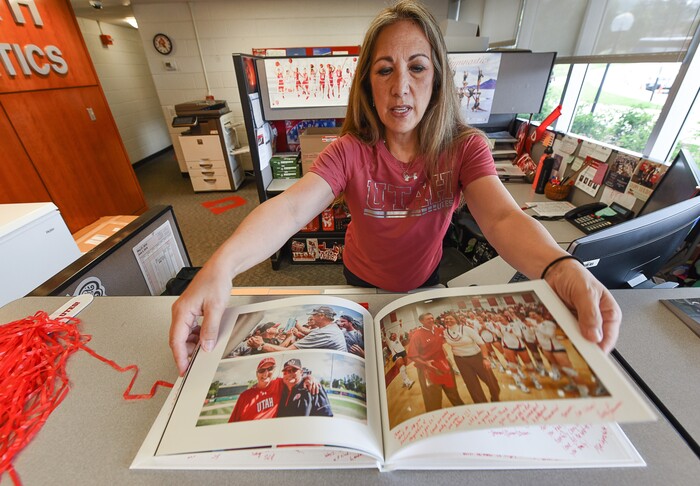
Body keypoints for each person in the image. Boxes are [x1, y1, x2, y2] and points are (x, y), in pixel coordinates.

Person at [170, 0, 621, 376]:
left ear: (437, 77)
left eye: (417, 68)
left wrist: (561, 268)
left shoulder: (465, 149)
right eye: (385, 70)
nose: (400, 87)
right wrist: (221, 266)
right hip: (360, 281)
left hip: (424, 281)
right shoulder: (350, 150)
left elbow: (503, 218)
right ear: (368, 82)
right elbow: (289, 210)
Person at [408, 313, 464, 412]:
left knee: (453, 392)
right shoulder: (417, 335)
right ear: (421, 321)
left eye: (432, 318)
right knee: (433, 399)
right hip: (428, 369)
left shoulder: (439, 330)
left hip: (444, 365)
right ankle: (434, 418)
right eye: (428, 319)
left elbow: (453, 336)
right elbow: (412, 355)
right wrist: (426, 364)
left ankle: (463, 411)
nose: (431, 320)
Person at [442, 312, 499, 403]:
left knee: (490, 380)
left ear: (456, 319)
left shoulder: (466, 329)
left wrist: (485, 358)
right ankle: (481, 403)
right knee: (471, 384)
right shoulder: (445, 332)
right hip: (460, 360)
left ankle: (496, 398)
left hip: (477, 357)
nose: (448, 320)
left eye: (450, 318)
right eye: (446, 319)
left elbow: (482, 344)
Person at [248, 306, 347, 353]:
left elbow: (287, 351)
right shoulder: (330, 327)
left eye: (314, 315)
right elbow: (307, 331)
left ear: (321, 316)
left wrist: (261, 345)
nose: (312, 318)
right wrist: (297, 325)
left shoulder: (325, 333)